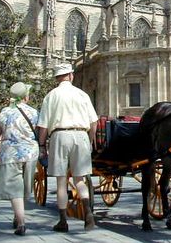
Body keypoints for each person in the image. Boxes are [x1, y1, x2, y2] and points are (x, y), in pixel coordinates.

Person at [37, 63, 98, 232]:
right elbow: (93, 121)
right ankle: (88, 214)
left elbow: (43, 126)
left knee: (61, 181)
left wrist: (42, 145)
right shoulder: (82, 94)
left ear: (57, 78)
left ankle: (63, 221)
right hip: (81, 136)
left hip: (59, 136)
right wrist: (91, 139)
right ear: (71, 75)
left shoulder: (51, 96)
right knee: (80, 179)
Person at [0, 82, 39, 236]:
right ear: (26, 96)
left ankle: (21, 222)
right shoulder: (34, 112)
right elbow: (40, 131)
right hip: (31, 153)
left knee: (14, 188)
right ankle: (17, 217)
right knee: (24, 187)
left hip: (10, 154)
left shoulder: (4, 113)